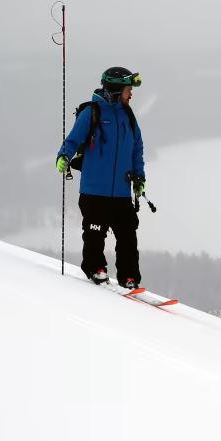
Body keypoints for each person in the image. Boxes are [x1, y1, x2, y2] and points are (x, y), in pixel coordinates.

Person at [55, 66, 146, 289]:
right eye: (127, 90)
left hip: (122, 192)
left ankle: (129, 278)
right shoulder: (92, 112)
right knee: (95, 234)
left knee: (128, 236)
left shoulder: (129, 117)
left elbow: (137, 149)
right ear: (116, 90)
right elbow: (73, 139)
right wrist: (63, 156)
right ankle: (96, 268)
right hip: (94, 191)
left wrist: (140, 179)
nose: (131, 94)